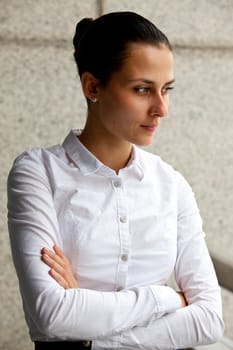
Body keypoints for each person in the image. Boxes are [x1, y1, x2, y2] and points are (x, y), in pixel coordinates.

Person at [7, 11, 224, 350]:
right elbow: (51, 313)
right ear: (92, 86)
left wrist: (91, 336)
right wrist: (167, 298)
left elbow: (210, 319)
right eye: (142, 89)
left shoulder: (172, 184)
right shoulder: (38, 172)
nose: (161, 108)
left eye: (166, 89)